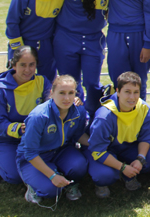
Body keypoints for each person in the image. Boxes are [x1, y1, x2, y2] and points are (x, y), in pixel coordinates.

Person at [54, 0, 109, 123]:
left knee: (92, 84)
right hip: (66, 39)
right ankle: (73, 122)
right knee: (71, 84)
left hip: (93, 40)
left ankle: (94, 121)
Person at [86, 71, 150, 198]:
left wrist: (140, 159)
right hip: (106, 151)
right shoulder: (104, 116)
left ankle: (129, 174)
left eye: (136, 92)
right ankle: (106, 180)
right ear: (118, 91)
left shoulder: (144, 109)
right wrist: (122, 167)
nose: (132, 97)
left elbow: (146, 137)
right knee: (104, 175)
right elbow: (97, 150)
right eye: (127, 92)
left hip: (128, 147)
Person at [16, 75, 88, 204]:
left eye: (71, 93)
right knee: (51, 190)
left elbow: (78, 135)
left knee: (80, 166)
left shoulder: (79, 111)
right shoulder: (39, 116)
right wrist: (52, 176)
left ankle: (69, 182)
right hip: (35, 157)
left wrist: (98, 144)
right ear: (52, 93)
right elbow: (30, 153)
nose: (66, 98)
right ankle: (33, 186)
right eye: (61, 93)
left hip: (61, 151)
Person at [0, 46, 51, 184]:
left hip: (34, 137)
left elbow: (52, 105)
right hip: (5, 140)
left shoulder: (42, 82)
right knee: (15, 177)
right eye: (23, 65)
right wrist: (18, 129)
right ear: (14, 65)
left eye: (31, 65)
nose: (27, 70)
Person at [6, 0, 65, 82]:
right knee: (20, 79)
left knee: (47, 81)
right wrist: (18, 50)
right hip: (23, 43)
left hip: (46, 45)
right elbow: (12, 22)